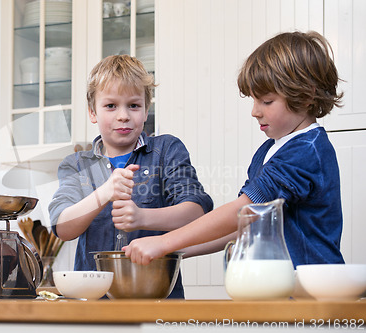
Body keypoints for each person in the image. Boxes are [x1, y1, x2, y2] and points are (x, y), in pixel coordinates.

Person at [123, 31, 345, 268]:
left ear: (307, 95)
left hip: (308, 292)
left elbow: (243, 211)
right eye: (254, 100)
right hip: (278, 289)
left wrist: (164, 242)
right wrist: (175, 250)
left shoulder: (306, 151)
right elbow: (246, 225)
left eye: (267, 101)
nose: (255, 111)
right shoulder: (270, 150)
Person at [48, 55, 214, 298]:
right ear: (92, 111)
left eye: (134, 105)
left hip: (158, 300)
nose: (123, 115)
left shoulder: (167, 150)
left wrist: (142, 217)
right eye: (111, 106)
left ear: (147, 111)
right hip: (93, 306)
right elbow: (63, 227)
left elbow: (197, 211)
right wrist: (104, 193)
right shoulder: (76, 165)